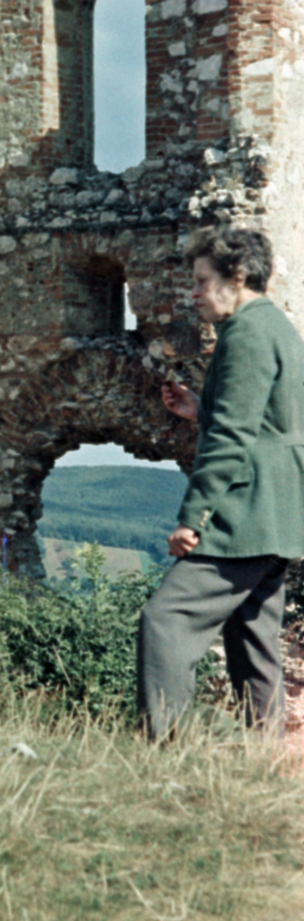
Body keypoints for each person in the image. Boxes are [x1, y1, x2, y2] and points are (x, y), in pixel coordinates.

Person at [138, 226, 304, 738]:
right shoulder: (274, 326)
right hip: (280, 511)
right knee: (254, 641)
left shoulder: (248, 334)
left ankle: (170, 744)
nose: (194, 293)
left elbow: (233, 438)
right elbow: (270, 422)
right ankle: (265, 757)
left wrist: (192, 518)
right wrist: (200, 408)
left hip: (246, 513)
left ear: (237, 278)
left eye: (202, 281)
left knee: (164, 622)